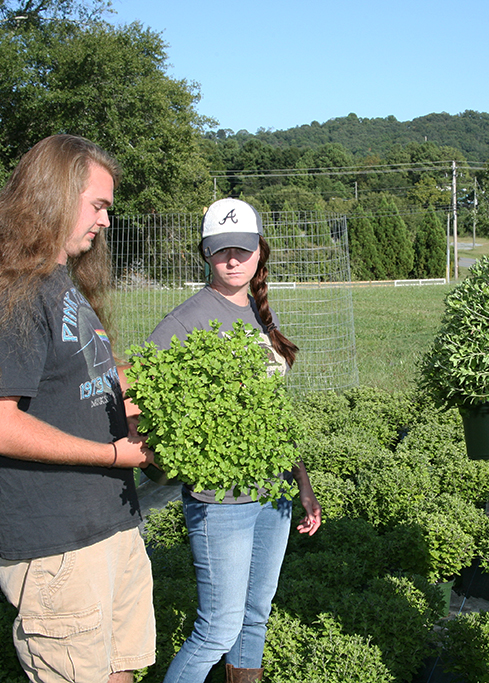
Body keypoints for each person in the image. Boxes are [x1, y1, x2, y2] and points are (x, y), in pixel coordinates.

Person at [0, 134, 156, 683]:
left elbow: (86, 378)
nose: (106, 220)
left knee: (122, 672)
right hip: (59, 546)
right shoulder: (16, 291)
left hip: (110, 525)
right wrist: (111, 454)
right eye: (98, 205)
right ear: (56, 195)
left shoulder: (64, 285)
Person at [148, 198, 322, 683]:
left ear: (259, 252)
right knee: (217, 628)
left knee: (254, 616)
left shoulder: (257, 313)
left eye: (242, 250)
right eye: (221, 250)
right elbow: (142, 409)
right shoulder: (183, 323)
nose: (233, 259)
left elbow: (276, 414)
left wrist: (301, 482)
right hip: (221, 499)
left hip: (275, 495)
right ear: (205, 254)